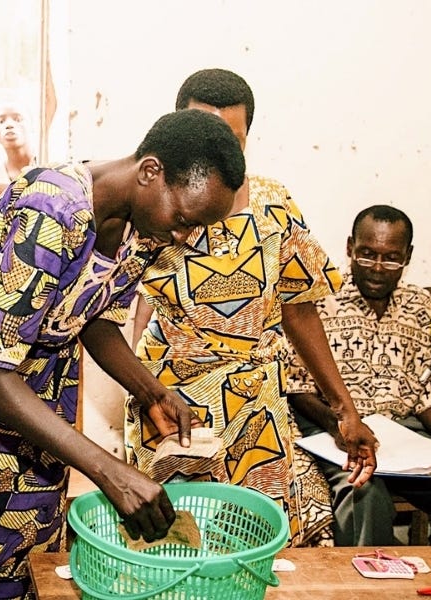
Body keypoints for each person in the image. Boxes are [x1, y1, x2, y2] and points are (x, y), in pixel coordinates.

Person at [0, 108, 246, 598]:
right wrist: (110, 471)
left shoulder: (143, 225)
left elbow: (94, 317)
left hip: (36, 396)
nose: (183, 237)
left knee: (29, 556)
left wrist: (151, 390)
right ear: (150, 172)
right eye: (183, 221)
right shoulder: (53, 213)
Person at [127, 68, 377, 547]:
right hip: (173, 406)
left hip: (255, 406)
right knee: (178, 545)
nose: (215, 153)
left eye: (232, 140)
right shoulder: (149, 204)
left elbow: (299, 310)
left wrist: (345, 410)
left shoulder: (272, 205)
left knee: (258, 545)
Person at [287, 205, 431, 545]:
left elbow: (423, 393)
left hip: (405, 440)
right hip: (335, 432)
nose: (377, 268)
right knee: (363, 496)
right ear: (349, 248)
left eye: (391, 258)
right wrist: (341, 427)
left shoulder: (419, 304)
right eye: (366, 255)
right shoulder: (317, 302)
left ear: (408, 256)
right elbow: (297, 389)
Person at [0, 101, 37, 182]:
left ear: (32, 126)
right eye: (1, 121)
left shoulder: (52, 167)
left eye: (18, 119)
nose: (9, 124)